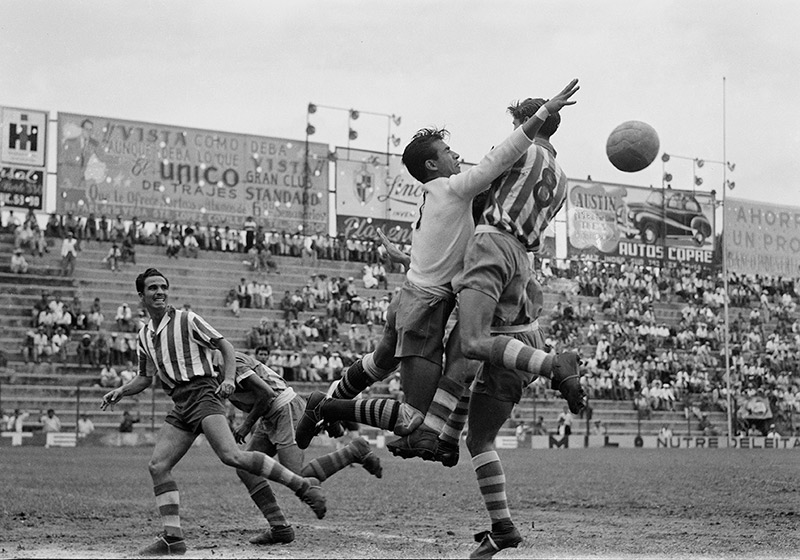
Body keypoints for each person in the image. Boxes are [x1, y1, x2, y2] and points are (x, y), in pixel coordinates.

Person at [294, 81, 582, 459]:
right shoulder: (456, 188)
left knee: (381, 363)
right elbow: (501, 159)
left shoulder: (436, 195)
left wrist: (406, 261)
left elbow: (444, 247)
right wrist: (542, 115)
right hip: (425, 308)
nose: (458, 155)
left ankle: (332, 403)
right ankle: (326, 407)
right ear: (433, 165)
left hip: (414, 297)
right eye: (448, 151)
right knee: (416, 414)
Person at [101, 268, 326, 555]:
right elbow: (145, 377)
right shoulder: (144, 335)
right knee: (157, 466)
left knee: (231, 455)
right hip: (181, 402)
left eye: (163, 287)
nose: (159, 292)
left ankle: (302, 486)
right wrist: (122, 390)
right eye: (152, 288)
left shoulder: (187, 319)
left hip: (203, 392)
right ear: (141, 296)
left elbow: (225, 346)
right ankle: (173, 539)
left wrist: (230, 378)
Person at [230, 349, 382, 545]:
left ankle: (353, 452)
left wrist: (246, 425)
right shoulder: (212, 365)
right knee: (245, 467)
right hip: (269, 415)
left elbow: (266, 393)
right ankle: (279, 527)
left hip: (284, 408)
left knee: (296, 477)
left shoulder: (229, 361)